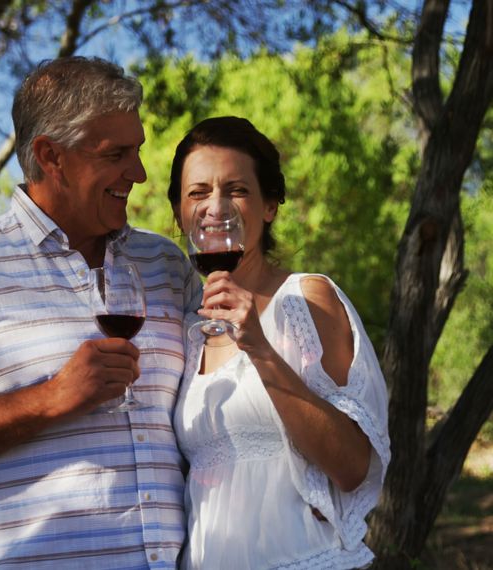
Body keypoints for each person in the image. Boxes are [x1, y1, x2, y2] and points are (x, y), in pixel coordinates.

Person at [0, 56, 202, 568]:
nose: (137, 173)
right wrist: (51, 398)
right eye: (115, 154)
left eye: (136, 151)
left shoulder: (166, 265)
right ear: (52, 156)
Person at [168, 116, 390, 568]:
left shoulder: (307, 300)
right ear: (179, 213)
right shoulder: (185, 329)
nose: (216, 206)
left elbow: (352, 468)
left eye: (237, 189)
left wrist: (262, 350)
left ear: (269, 205)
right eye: (198, 192)